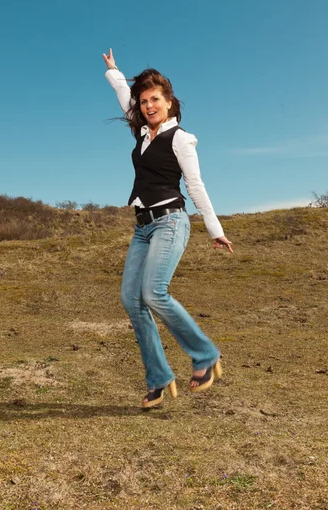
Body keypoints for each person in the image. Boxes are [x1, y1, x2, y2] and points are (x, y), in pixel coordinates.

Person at [102, 48, 233, 409]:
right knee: (131, 299)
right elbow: (124, 97)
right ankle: (159, 377)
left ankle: (205, 354)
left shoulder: (180, 139)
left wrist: (214, 228)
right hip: (142, 227)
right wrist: (115, 72)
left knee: (153, 292)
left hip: (171, 222)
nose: (148, 105)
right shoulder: (143, 135)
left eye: (155, 99)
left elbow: (196, 185)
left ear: (169, 102)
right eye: (144, 101)